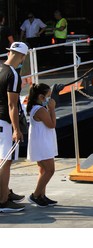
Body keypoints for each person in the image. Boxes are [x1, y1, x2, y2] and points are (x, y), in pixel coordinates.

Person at [0, 42, 28, 213]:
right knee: (5, 162)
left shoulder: (0, 69)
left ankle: (5, 193)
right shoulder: (13, 75)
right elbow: (12, 105)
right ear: (22, 56)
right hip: (5, 122)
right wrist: (17, 130)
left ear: (10, 52)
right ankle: (3, 201)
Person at [26, 83, 58, 207]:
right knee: (50, 170)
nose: (49, 100)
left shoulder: (37, 108)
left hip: (42, 141)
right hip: (42, 144)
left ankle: (41, 195)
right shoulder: (40, 110)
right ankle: (35, 195)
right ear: (41, 97)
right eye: (48, 97)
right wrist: (52, 109)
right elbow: (51, 124)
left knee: (43, 170)